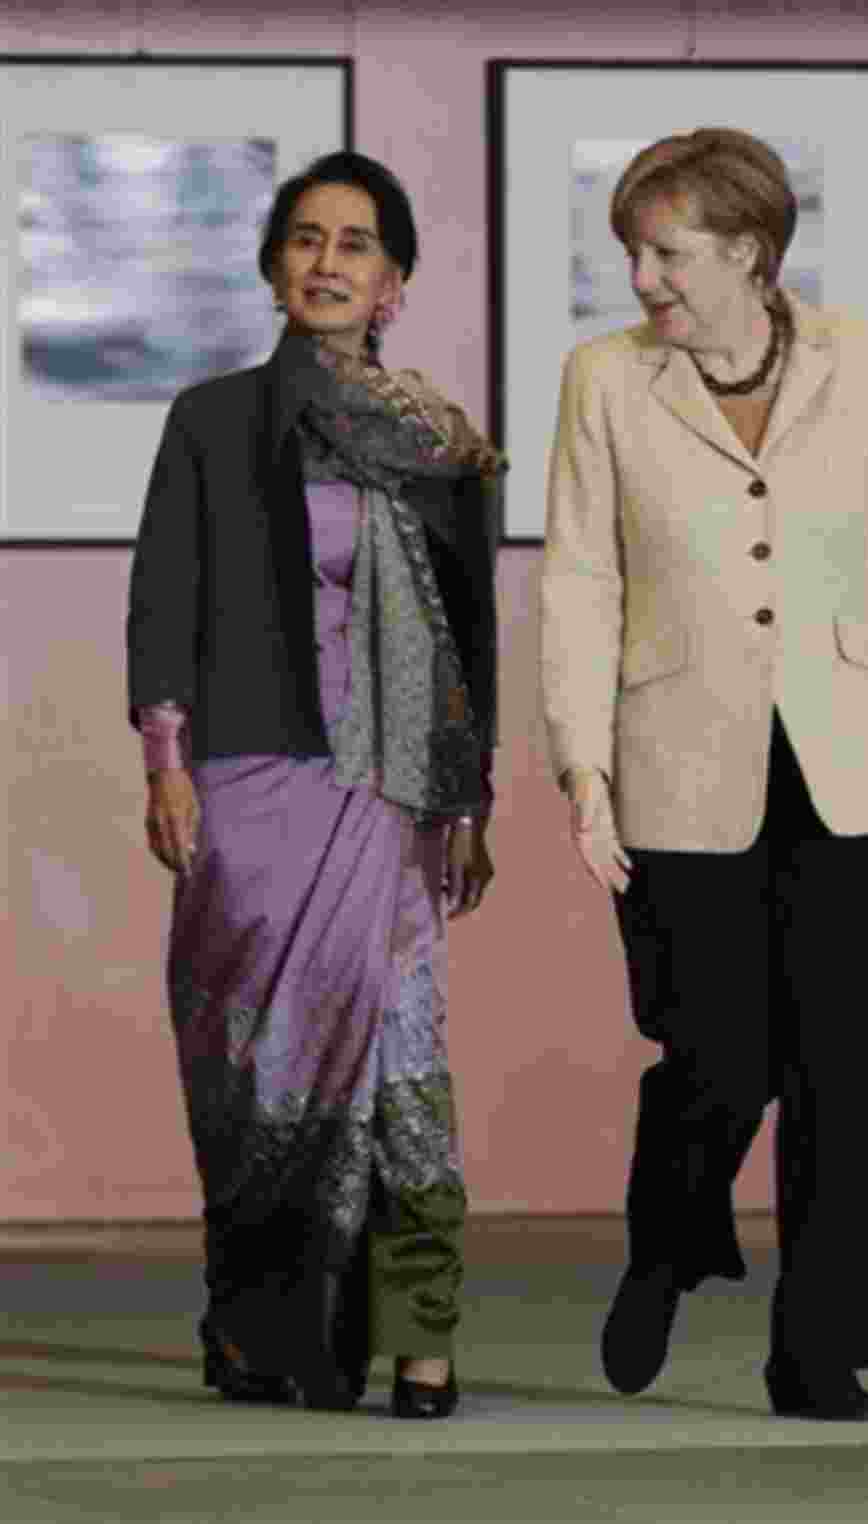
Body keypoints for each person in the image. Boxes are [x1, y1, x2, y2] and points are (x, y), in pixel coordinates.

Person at [541, 128, 868, 1421]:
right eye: (631, 251)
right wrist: (584, 769)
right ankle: (668, 1239)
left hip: (857, 752)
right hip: (676, 752)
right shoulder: (604, 383)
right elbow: (578, 583)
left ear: (747, 252)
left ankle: (818, 1352)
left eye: (666, 252)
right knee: (717, 1055)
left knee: (841, 1070)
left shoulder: (861, 360)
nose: (642, 279)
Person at [128, 150, 504, 1417]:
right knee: (251, 1066)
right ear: (274, 267)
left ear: (392, 281)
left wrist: (467, 794)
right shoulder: (213, 419)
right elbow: (163, 597)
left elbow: (469, 637)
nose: (328, 261)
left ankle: (418, 1337)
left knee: (398, 1051)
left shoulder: (438, 448)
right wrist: (166, 765)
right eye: (306, 238)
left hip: (390, 793)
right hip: (246, 779)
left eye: (356, 243)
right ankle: (263, 1333)